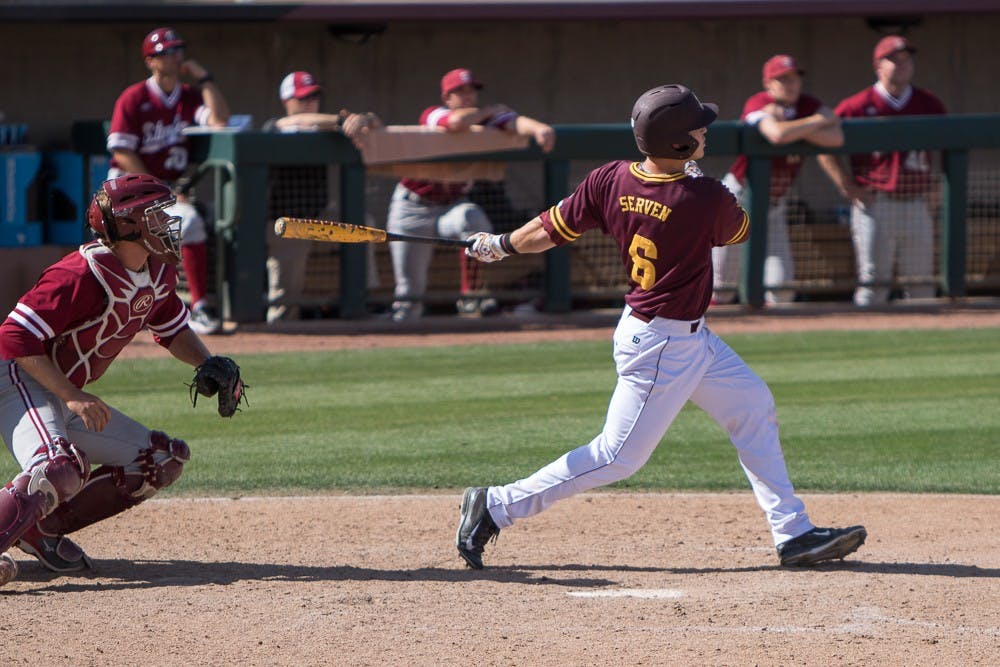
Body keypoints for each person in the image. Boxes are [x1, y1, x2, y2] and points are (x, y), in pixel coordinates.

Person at [455, 84, 867, 570]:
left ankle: (793, 532)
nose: (705, 132)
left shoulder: (610, 179)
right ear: (678, 143)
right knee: (616, 457)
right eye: (698, 129)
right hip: (664, 345)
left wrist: (498, 243)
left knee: (752, 404)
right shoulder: (703, 195)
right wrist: (696, 176)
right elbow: (739, 229)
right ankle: (496, 505)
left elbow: (546, 229)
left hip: (676, 336)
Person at [0, 174, 245, 588]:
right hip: (15, 375)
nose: (167, 223)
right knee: (58, 467)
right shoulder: (79, 273)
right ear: (129, 225)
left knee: (160, 460)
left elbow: (171, 328)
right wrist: (72, 395)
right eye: (156, 215)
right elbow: (13, 337)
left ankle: (36, 528)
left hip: (61, 389)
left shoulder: (157, 272)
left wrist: (207, 362)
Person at [385, 68, 556, 322]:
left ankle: (471, 296)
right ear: (447, 98)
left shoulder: (484, 120)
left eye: (471, 91)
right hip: (413, 207)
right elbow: (456, 123)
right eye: (460, 91)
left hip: (451, 206)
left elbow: (514, 121)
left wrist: (540, 129)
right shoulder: (433, 114)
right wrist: (489, 111)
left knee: (472, 218)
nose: (467, 96)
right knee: (409, 293)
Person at [107, 26, 231, 334]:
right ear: (150, 60)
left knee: (189, 222)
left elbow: (220, 120)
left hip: (166, 189)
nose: (175, 57)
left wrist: (205, 79)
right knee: (120, 248)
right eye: (166, 52)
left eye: (178, 51)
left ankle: (198, 306)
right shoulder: (134, 97)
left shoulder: (188, 97)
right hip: (128, 187)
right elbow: (122, 151)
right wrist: (161, 190)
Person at [818, 35, 946, 307]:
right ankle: (863, 343)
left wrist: (940, 187)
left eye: (906, 59)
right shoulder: (856, 105)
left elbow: (951, 147)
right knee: (873, 282)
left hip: (916, 202)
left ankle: (923, 345)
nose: (902, 65)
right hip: (876, 202)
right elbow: (822, 145)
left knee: (921, 285)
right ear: (878, 65)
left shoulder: (929, 103)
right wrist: (844, 184)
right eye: (894, 60)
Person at [713, 54, 844, 305]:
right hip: (737, 200)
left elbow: (836, 137)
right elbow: (776, 135)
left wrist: (795, 125)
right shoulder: (758, 102)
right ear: (768, 84)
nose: (791, 83)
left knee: (782, 287)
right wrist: (815, 124)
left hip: (774, 206)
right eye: (782, 79)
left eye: (794, 77)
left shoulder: (807, 104)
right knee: (722, 287)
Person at [261, 71, 382, 323]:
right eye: (303, 98)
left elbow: (376, 125)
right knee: (285, 300)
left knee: (362, 222)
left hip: (319, 214)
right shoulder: (274, 126)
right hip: (283, 222)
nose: (309, 102)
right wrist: (342, 119)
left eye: (313, 97)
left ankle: (363, 301)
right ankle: (280, 328)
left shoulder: (328, 128)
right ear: (287, 101)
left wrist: (363, 119)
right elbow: (295, 123)